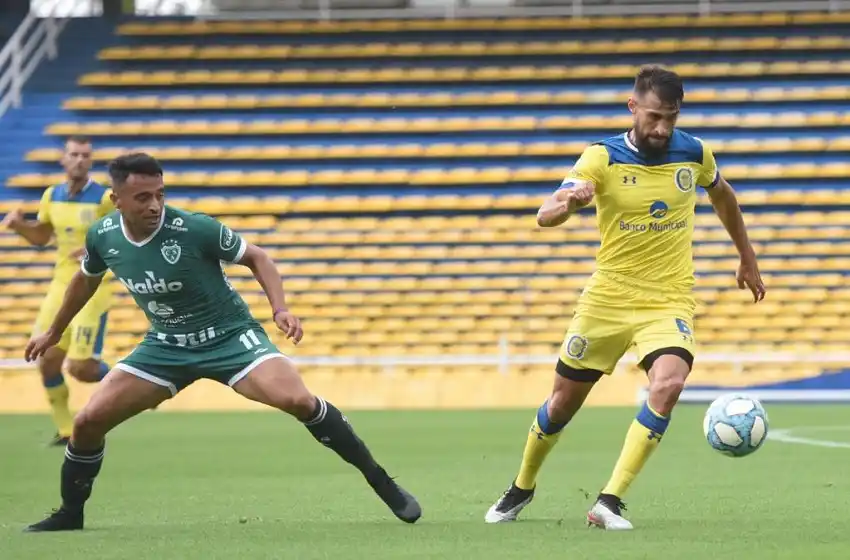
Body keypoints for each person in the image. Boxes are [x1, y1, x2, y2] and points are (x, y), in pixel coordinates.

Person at [23, 153, 421, 532]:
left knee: (299, 400)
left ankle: (381, 481)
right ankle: (70, 513)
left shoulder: (194, 228)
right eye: (143, 197)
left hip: (231, 337)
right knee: (88, 421)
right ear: (117, 200)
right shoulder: (104, 236)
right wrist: (55, 331)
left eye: (160, 194)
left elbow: (258, 258)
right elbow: (85, 280)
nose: (154, 205)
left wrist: (280, 309)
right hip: (167, 345)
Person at [484, 65, 766, 530]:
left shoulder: (694, 153)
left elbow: (724, 197)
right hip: (607, 300)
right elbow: (544, 213)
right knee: (561, 405)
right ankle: (521, 486)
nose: (662, 128)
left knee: (669, 384)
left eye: (670, 118)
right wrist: (572, 202)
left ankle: (609, 501)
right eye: (654, 116)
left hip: (667, 300)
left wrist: (747, 258)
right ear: (633, 107)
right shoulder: (601, 157)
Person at [0, 136, 113, 446]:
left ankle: (134, 380)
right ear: (63, 160)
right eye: (74, 154)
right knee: (46, 361)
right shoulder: (52, 195)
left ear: (90, 161)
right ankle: (66, 430)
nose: (80, 160)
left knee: (82, 369)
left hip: (92, 289)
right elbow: (42, 236)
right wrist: (19, 226)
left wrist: (95, 248)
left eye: (85, 155)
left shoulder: (104, 199)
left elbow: (124, 233)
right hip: (60, 286)